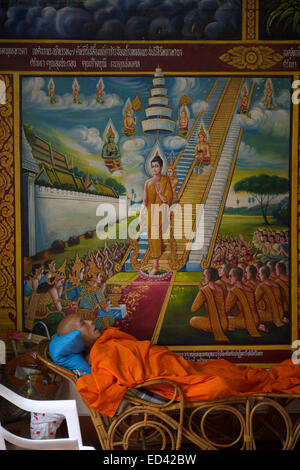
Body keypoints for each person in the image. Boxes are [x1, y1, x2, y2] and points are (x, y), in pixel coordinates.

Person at [51, 314, 300, 419]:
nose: (91, 320)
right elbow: (106, 385)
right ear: (76, 339)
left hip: (180, 370)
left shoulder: (108, 340)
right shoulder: (102, 354)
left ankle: (285, 371)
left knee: (226, 368)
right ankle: (283, 374)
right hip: (171, 388)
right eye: (83, 324)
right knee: (223, 383)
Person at [139, 154, 173, 276]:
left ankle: (156, 265)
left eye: (156, 166)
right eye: (152, 166)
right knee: (151, 237)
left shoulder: (165, 180)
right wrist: (140, 216)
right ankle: (155, 263)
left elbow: (167, 200)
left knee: (155, 236)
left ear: (161, 167)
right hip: (150, 213)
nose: (154, 169)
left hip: (161, 212)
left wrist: (160, 194)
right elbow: (144, 201)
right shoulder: (148, 183)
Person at [190, 268, 229, 342]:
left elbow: (193, 309)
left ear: (209, 276)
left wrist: (201, 291)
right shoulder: (221, 287)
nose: (202, 278)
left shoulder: (205, 290)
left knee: (193, 320)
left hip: (216, 324)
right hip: (225, 323)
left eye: (204, 276)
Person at [225, 267, 266, 336]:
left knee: (221, 318)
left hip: (246, 321)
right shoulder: (249, 289)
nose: (229, 278)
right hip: (256, 320)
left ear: (236, 276)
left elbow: (226, 308)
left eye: (230, 276)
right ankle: (257, 326)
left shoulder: (234, 290)